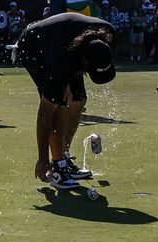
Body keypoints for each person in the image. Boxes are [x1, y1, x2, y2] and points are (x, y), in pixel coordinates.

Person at [14, 12, 117, 189]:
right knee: (58, 106)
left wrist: (68, 80)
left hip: (63, 44)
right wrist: (42, 159)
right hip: (33, 49)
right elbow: (45, 113)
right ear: (83, 61)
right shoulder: (62, 59)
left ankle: (63, 155)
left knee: (79, 101)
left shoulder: (107, 33)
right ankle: (58, 167)